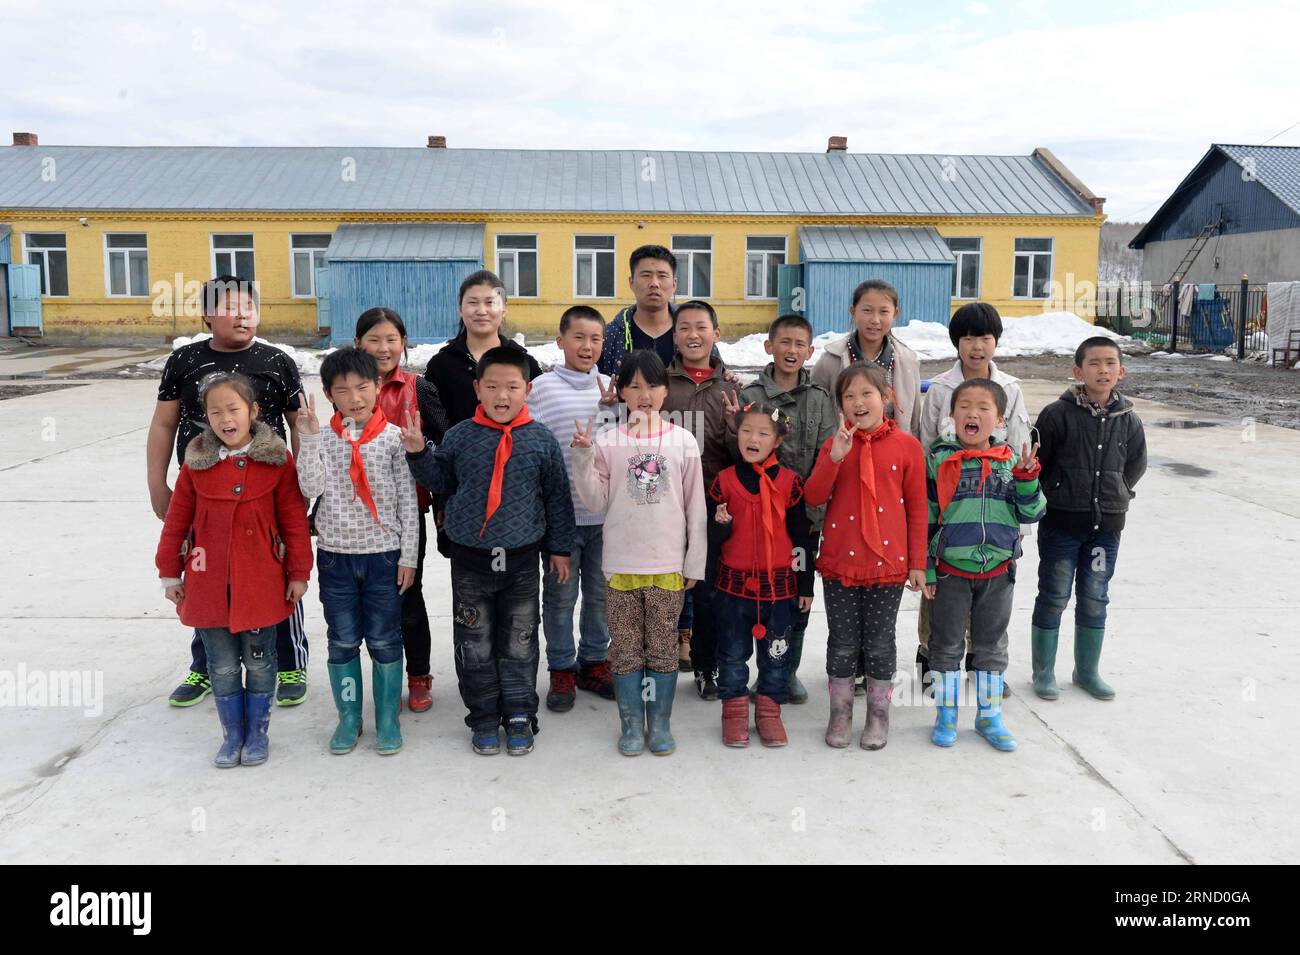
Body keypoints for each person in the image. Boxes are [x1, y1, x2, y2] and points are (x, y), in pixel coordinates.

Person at [146, 276, 310, 708]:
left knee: (276, 571)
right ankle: (205, 666)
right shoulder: (184, 361)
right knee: (205, 575)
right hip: (203, 491)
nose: (242, 315)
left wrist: (307, 486)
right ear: (206, 316)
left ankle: (289, 660)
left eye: (249, 307)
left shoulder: (278, 362)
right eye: (231, 307)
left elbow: (298, 425)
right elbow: (163, 424)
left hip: (266, 493)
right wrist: (156, 484)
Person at [404, 347, 575, 756]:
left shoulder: (541, 440)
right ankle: (481, 715)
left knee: (519, 640)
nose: (502, 395)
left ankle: (518, 712)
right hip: (471, 562)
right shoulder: (461, 435)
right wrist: (417, 452)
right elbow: (441, 478)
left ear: (527, 390)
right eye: (493, 386)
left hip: (520, 562)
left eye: (512, 387)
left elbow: (556, 499)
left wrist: (560, 549)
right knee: (474, 641)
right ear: (477, 387)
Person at [155, 372, 312, 767]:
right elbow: (177, 521)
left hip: (260, 584)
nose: (225, 418)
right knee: (222, 665)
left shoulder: (277, 460)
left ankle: (257, 733)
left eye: (234, 409)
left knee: (260, 661)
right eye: (215, 412)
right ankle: (232, 736)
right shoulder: (196, 464)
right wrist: (170, 572)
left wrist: (298, 572)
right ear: (206, 418)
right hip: (208, 586)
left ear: (253, 412)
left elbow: (294, 520)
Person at [571, 350, 707, 757]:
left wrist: (694, 560)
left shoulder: (683, 441)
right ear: (622, 392)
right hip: (621, 567)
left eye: (652, 384)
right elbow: (594, 501)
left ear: (666, 390)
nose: (644, 394)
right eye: (633, 385)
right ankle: (632, 725)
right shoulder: (608, 442)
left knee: (663, 648)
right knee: (627, 648)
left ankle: (659, 724)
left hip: (667, 566)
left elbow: (695, 508)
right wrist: (582, 457)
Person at [296, 347, 419, 756]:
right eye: (342, 390)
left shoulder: (393, 439)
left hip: (384, 557)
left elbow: (408, 501)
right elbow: (308, 489)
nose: (355, 397)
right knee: (343, 641)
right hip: (336, 558)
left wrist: (409, 557)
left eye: (363, 387)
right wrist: (309, 439)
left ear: (379, 386)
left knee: (385, 641)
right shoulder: (324, 439)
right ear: (330, 394)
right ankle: (349, 717)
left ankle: (387, 718)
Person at [803, 363, 927, 750]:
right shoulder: (835, 444)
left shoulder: (907, 447)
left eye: (866, 393)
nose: (859, 402)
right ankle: (840, 714)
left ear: (886, 397)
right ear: (840, 405)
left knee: (879, 642)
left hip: (888, 565)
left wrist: (918, 563)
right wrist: (835, 457)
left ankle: (878, 715)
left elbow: (918, 509)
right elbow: (813, 496)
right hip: (841, 561)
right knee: (841, 641)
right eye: (849, 396)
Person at [810, 278, 922, 695]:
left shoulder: (906, 359)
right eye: (867, 310)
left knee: (879, 632)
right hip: (843, 454)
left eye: (884, 311)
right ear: (852, 312)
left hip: (892, 458)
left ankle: (876, 698)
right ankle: (844, 687)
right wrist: (834, 452)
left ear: (895, 314)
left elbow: (916, 412)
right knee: (843, 625)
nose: (875, 319)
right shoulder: (831, 358)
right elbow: (818, 405)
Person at [925, 379, 1045, 751]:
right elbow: (926, 518)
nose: (972, 413)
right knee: (945, 644)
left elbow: (1033, 511)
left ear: (998, 421)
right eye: (964, 406)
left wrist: (1027, 481)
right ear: (951, 415)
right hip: (950, 571)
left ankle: (988, 717)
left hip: (998, 571)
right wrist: (927, 567)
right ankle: (946, 716)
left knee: (991, 645)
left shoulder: (1011, 462)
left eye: (983, 408)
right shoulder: (938, 460)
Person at [915, 302, 1031, 687]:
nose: (977, 346)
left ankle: (983, 664)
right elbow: (928, 444)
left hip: (996, 509)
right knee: (942, 591)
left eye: (985, 337)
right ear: (956, 343)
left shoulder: (1011, 389)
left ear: (995, 342)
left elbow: (1016, 449)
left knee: (991, 591)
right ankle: (933, 659)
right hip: (952, 507)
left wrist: (1017, 519)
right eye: (968, 338)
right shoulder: (941, 389)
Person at [1030, 337, 1146, 702]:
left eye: (1110, 363)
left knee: (1095, 597)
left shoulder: (1128, 420)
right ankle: (1044, 672)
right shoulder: (1056, 415)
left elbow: (1136, 464)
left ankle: (1087, 671)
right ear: (1078, 371)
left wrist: (1119, 491)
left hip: (1105, 530)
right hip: (1062, 527)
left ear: (1121, 372)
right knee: (1054, 595)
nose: (1103, 370)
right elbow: (1038, 464)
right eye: (1094, 363)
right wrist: (1055, 491)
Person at [737, 313, 837, 703]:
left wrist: (814, 509)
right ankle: (758, 672)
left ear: (810, 352)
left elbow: (828, 456)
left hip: (804, 525)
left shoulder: (820, 400)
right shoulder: (750, 397)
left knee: (797, 596)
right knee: (756, 597)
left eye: (800, 345)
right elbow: (742, 456)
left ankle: (786, 671)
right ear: (769, 346)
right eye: (784, 342)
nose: (791, 351)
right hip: (757, 521)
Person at [355, 307, 448, 712]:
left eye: (391, 339)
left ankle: (419, 675)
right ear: (359, 344)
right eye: (374, 339)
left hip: (408, 511)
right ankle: (384, 673)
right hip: (358, 513)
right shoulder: (351, 387)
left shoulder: (418, 387)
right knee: (371, 599)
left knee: (408, 594)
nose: (383, 347)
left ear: (404, 343)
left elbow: (446, 446)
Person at [527, 305, 619, 711]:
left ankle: (594, 661)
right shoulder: (541, 388)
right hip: (562, 519)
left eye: (595, 339)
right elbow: (533, 450)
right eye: (578, 337)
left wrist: (613, 410)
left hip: (606, 516)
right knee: (561, 598)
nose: (587, 346)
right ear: (560, 341)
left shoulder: (611, 387)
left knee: (600, 596)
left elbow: (623, 446)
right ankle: (561, 668)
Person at [710, 402, 812, 747]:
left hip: (779, 590)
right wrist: (719, 526)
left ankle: (769, 713)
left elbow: (801, 539)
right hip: (733, 589)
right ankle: (734, 713)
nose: (753, 438)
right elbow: (709, 537)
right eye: (746, 430)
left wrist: (805, 584)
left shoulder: (789, 483)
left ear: (778, 441)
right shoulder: (723, 482)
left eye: (763, 433)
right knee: (732, 654)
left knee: (776, 654)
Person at [423, 269, 542, 560]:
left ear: (504, 309)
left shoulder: (524, 362)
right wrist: (444, 497)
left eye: (490, 302)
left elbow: (536, 426)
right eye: (473, 302)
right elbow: (436, 432)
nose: (482, 311)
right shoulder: (441, 365)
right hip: (461, 487)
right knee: (468, 575)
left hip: (514, 486)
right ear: (460, 308)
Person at [662, 300, 741, 698]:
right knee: (662, 586)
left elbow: (743, 453)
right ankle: (653, 664)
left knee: (709, 591)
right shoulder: (660, 384)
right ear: (674, 336)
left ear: (716, 334)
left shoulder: (731, 388)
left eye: (701, 327)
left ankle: (707, 667)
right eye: (685, 328)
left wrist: (732, 427)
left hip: (711, 505)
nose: (693, 335)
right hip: (663, 503)